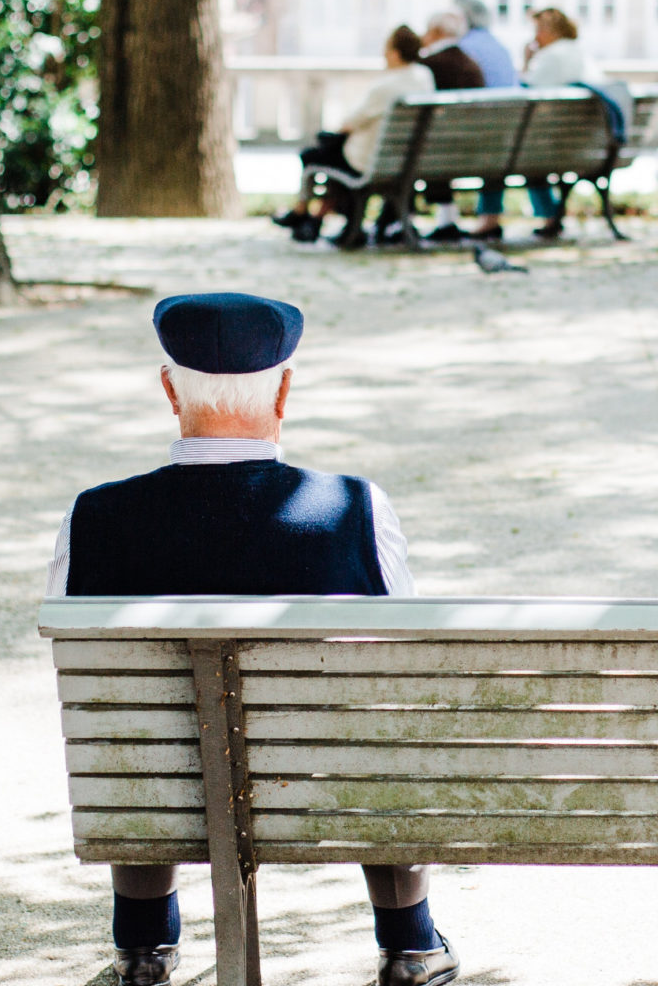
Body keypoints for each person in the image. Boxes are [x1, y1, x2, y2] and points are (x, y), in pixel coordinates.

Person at [48, 292, 461, 986]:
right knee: (382, 723)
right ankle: (410, 944)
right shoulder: (355, 508)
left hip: (160, 792)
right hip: (325, 788)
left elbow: (88, 675)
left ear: (169, 390)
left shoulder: (94, 517)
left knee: (138, 726)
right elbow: (400, 656)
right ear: (285, 391)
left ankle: (144, 950)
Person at [275, 26, 435, 248]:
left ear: (395, 53)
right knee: (326, 151)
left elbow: (349, 124)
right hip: (406, 160)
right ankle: (312, 218)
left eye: (386, 49)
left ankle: (305, 214)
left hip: (369, 161)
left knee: (316, 153)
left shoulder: (385, 87)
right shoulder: (424, 78)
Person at [377, 12, 485, 243]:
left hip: (437, 151)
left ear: (436, 33)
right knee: (431, 148)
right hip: (475, 150)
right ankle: (445, 220)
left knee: (408, 152)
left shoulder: (427, 68)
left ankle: (396, 222)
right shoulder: (472, 64)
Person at [508, 7, 605, 240]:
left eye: (537, 30)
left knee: (529, 157)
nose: (534, 37)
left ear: (548, 31)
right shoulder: (582, 54)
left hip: (555, 146)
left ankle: (550, 216)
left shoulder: (549, 56)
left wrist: (526, 62)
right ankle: (553, 217)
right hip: (589, 145)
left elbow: (526, 93)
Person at [452, 0, 520, 240]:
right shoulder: (500, 46)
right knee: (497, 147)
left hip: (483, 134)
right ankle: (491, 218)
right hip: (512, 134)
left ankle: (447, 219)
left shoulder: (464, 48)